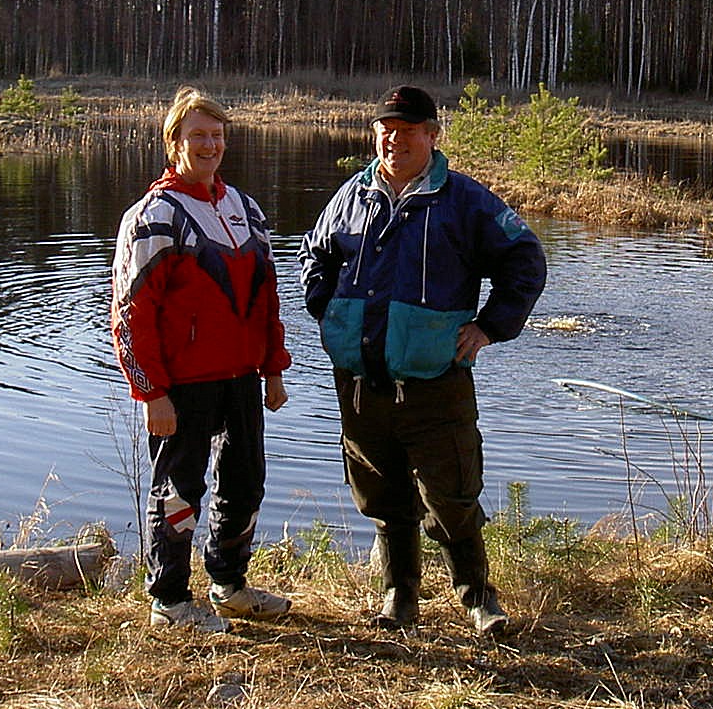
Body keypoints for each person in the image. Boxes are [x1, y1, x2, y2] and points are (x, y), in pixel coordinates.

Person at [299, 84, 547, 635]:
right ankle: (399, 598)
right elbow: (313, 256)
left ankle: (479, 598)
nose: (395, 140)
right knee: (382, 495)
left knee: (452, 493)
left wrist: (489, 326)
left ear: (433, 137)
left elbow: (525, 259)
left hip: (437, 378)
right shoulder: (350, 197)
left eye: (409, 130)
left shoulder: (463, 200)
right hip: (363, 381)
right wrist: (333, 316)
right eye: (387, 130)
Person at [110, 87, 292, 632]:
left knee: (246, 483)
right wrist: (151, 393)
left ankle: (229, 586)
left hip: (240, 378)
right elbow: (129, 313)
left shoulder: (245, 209)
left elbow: (266, 296)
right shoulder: (153, 216)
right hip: (182, 386)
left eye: (216, 135)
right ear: (174, 143)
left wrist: (274, 367)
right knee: (178, 491)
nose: (208, 145)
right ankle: (169, 600)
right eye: (197, 136)